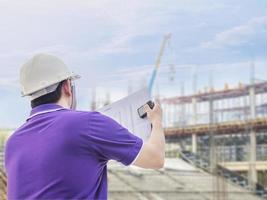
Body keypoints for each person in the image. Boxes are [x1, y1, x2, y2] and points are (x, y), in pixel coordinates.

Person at [4, 54, 165, 200]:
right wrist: (156, 120)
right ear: (67, 86)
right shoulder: (87, 124)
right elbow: (155, 158)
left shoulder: (12, 143)